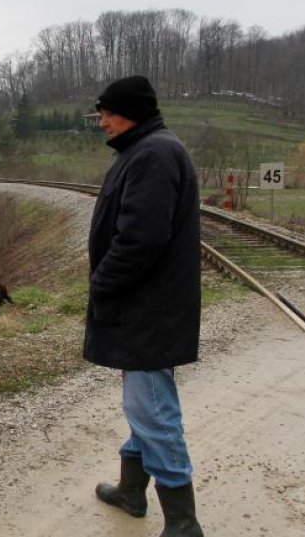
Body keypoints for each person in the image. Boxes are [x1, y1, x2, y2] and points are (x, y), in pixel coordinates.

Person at [85, 75, 204, 537]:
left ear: (129, 111)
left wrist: (101, 283)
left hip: (147, 311)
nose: (103, 123)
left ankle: (183, 521)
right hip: (147, 308)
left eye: (108, 113)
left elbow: (140, 239)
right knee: (144, 405)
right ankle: (132, 491)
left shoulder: (153, 154)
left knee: (154, 410)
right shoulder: (144, 149)